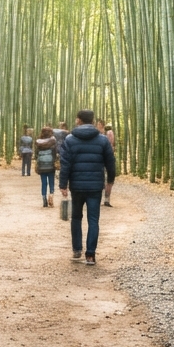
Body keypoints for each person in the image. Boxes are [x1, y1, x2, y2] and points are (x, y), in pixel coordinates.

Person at [59, 109, 116, 266]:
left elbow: (65, 164)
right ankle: (90, 255)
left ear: (79, 120)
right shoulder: (103, 140)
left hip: (76, 186)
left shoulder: (70, 139)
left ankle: (77, 250)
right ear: (93, 120)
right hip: (95, 186)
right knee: (93, 220)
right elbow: (110, 162)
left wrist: (63, 184)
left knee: (76, 217)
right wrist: (110, 180)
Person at [34, 127, 58, 207]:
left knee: (44, 183)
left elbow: (36, 155)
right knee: (51, 182)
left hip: (42, 166)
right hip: (51, 165)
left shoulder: (38, 142)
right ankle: (51, 195)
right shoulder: (53, 142)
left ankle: (44, 199)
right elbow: (54, 154)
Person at [103, 124, 117, 206]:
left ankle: (106, 199)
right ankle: (106, 199)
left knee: (108, 179)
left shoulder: (103, 137)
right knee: (109, 179)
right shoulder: (109, 134)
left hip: (107, 158)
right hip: (108, 158)